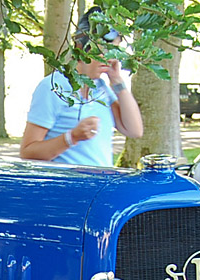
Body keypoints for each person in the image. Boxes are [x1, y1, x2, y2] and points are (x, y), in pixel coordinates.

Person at [20, 7, 143, 167]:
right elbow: (27, 152)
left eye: (115, 51)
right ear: (80, 46)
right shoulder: (53, 87)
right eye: (103, 50)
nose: (109, 58)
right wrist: (71, 138)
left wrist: (117, 81)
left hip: (99, 187)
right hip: (69, 188)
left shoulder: (101, 88)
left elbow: (134, 131)